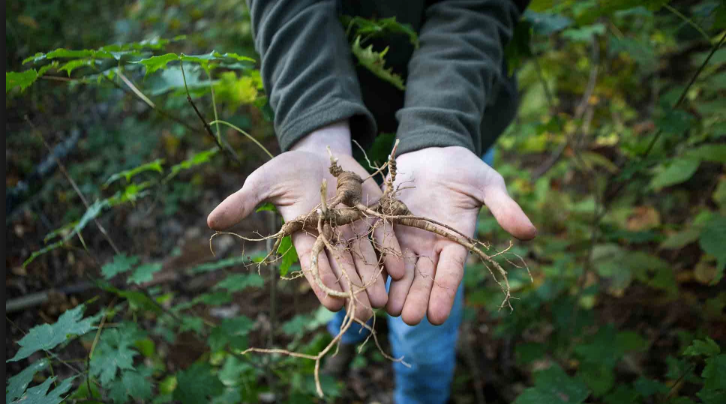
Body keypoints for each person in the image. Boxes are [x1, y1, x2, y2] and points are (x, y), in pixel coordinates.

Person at [207, 1, 536, 403]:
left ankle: (418, 390)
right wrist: (316, 129)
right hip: (340, 124)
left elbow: (477, 10)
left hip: (455, 134)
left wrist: (439, 130)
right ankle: (348, 336)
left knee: (419, 302)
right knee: (351, 262)